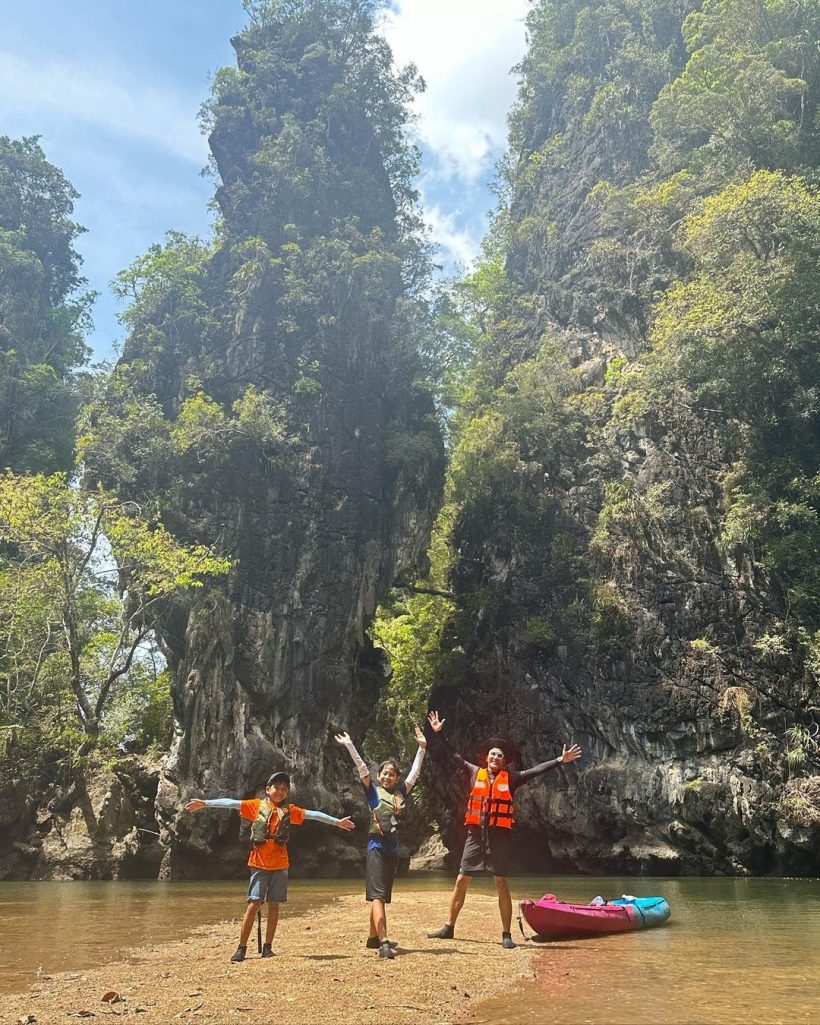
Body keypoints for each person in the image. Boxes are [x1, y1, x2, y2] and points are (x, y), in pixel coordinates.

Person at [425, 710, 582, 948]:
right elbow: (453, 755)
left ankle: (506, 934)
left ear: (503, 760)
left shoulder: (511, 778)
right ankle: (449, 927)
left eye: (499, 755)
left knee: (501, 882)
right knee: (461, 880)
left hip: (500, 837)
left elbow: (536, 771)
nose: (495, 757)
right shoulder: (472, 772)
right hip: (476, 835)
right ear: (486, 758)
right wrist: (440, 734)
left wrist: (560, 760)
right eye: (492, 754)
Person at [185, 771, 354, 962]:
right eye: (277, 788)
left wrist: (337, 822)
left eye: (284, 789)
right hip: (259, 863)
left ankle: (268, 947)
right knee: (254, 903)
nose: (280, 792)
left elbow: (313, 815)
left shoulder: (290, 811)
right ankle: (241, 947)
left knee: (274, 905)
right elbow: (231, 803)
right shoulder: (256, 806)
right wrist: (205, 803)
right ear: (268, 790)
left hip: (280, 865)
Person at [334, 725, 428, 960]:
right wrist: (349, 745)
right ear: (379, 776)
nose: (387, 776)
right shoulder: (372, 793)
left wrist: (422, 748)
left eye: (392, 774)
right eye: (384, 773)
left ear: (396, 778)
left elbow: (414, 775)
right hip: (376, 846)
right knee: (377, 896)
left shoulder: (399, 795)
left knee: (382, 895)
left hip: (393, 847)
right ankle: (384, 941)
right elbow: (362, 769)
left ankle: (372, 937)